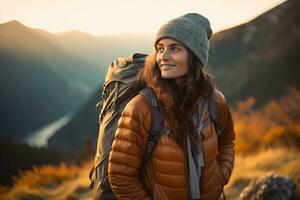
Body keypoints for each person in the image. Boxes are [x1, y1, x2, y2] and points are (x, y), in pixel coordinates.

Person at [108, 13, 235, 200]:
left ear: (194, 57)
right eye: (160, 49)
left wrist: (219, 177)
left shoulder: (215, 102)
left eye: (174, 49)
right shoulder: (141, 108)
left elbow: (227, 142)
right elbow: (121, 176)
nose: (163, 57)